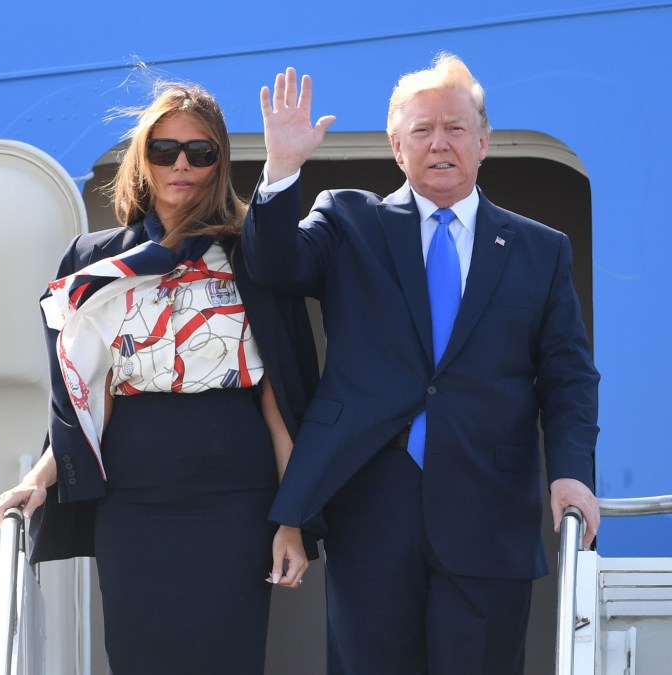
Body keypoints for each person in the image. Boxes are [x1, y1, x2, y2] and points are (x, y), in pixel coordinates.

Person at [241, 54, 601, 674]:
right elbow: (276, 265)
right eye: (423, 130)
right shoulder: (349, 219)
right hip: (372, 509)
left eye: (456, 128)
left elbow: (568, 376)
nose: (440, 143)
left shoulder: (539, 249)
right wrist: (281, 169)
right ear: (396, 145)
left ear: (483, 142)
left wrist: (571, 474)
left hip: (489, 513)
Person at [0, 81, 320, 674]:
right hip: (134, 497)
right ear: (141, 157)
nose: (181, 165)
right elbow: (85, 394)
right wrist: (39, 480)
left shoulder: (252, 254)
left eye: (201, 152)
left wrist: (291, 518)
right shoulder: (94, 261)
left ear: (221, 163)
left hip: (237, 498)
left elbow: (282, 399)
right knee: (140, 656)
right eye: (164, 149)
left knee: (229, 658)